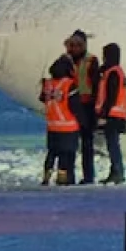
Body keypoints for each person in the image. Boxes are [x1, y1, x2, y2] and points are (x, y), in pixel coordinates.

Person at [64, 30, 100, 184]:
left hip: (87, 105)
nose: (74, 48)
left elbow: (96, 84)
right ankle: (68, 176)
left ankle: (88, 176)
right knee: (69, 143)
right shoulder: (66, 61)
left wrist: (97, 108)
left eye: (78, 44)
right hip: (71, 104)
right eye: (72, 45)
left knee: (86, 143)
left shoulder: (91, 61)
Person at [39, 56, 81, 185]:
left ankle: (47, 175)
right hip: (68, 126)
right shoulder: (69, 84)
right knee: (66, 154)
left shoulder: (48, 84)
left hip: (52, 126)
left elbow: (42, 98)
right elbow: (75, 105)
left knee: (52, 152)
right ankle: (63, 178)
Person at [95, 43, 126, 185]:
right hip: (115, 113)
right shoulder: (112, 71)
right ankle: (115, 171)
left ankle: (117, 172)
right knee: (112, 144)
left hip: (113, 114)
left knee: (113, 145)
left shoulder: (113, 72)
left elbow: (111, 95)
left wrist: (104, 114)